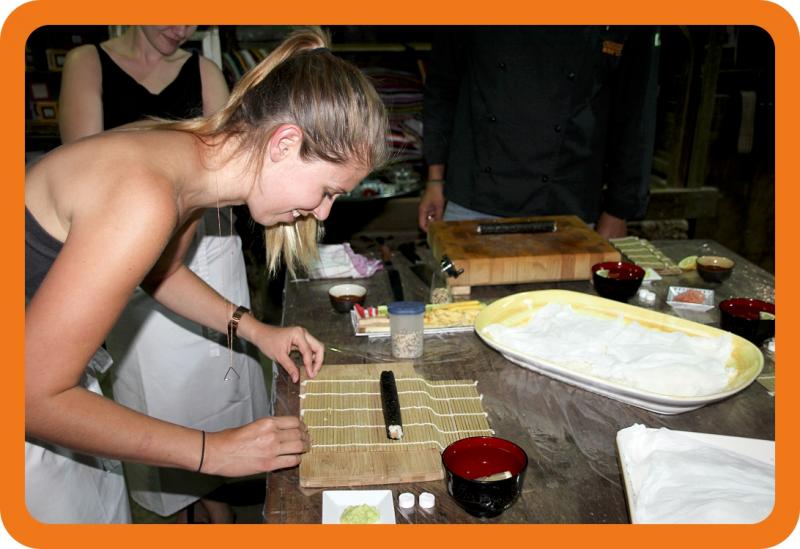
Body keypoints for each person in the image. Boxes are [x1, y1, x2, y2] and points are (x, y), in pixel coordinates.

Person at [25, 27, 388, 523]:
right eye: (328, 190)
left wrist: (257, 331)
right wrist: (211, 451)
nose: (323, 212)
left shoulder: (189, 159)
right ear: (285, 143)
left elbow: (162, 273)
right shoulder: (145, 196)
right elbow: (32, 398)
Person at [57, 25, 265, 524]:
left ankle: (216, 499)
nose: (182, 28)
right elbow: (89, 166)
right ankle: (190, 497)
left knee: (220, 385)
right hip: (121, 245)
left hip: (202, 247)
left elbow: (167, 271)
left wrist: (255, 328)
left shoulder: (203, 71)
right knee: (159, 394)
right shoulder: (88, 64)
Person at [418, 26, 660, 239]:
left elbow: (636, 112)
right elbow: (441, 85)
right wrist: (435, 179)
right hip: (474, 194)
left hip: (568, 200)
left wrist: (618, 211)